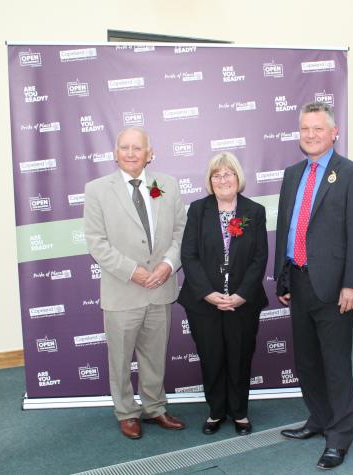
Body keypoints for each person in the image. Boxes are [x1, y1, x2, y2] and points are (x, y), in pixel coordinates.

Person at [274, 102, 353, 470]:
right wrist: (283, 276)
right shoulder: (291, 174)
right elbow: (286, 229)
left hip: (334, 287)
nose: (311, 135)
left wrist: (352, 284)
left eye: (318, 128)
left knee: (335, 365)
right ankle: (318, 418)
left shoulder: (352, 174)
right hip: (298, 281)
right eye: (305, 129)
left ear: (334, 133)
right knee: (307, 361)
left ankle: (340, 436)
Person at [84, 127, 186, 439]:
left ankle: (154, 407)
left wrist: (168, 265)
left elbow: (181, 232)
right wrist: (133, 271)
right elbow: (97, 243)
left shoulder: (166, 185)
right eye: (124, 147)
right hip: (123, 290)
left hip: (160, 288)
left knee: (155, 357)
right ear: (115, 153)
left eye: (137, 148)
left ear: (149, 154)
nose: (131, 153)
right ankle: (126, 412)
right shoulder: (97, 190)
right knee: (119, 360)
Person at [178, 152, 268, 437]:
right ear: (209, 180)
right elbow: (188, 255)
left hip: (243, 302)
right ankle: (216, 411)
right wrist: (207, 292)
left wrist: (242, 294)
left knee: (240, 358)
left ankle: (240, 412)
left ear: (238, 177)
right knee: (212, 357)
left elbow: (260, 258)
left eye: (228, 174)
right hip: (205, 303)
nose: (222, 180)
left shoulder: (254, 211)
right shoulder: (198, 210)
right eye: (216, 175)